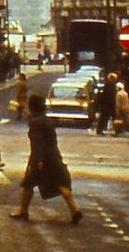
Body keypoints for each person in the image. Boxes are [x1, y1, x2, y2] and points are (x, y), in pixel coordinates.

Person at [12, 93, 82, 224]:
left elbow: (37, 142)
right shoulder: (46, 120)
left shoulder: (35, 123)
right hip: (54, 156)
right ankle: (74, 209)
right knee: (61, 182)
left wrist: (38, 160)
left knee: (28, 183)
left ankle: (23, 210)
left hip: (41, 158)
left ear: (32, 107)